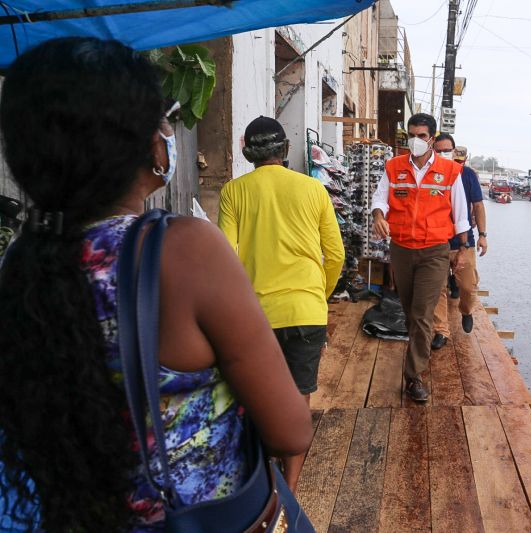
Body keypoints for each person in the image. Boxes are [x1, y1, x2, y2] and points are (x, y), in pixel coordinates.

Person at [0, 37, 312, 532]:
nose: (169, 131)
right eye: (165, 118)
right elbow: (290, 428)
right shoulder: (182, 250)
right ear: (140, 142)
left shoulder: (20, 261)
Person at [218, 116, 344, 490]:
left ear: (247, 153)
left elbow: (227, 256)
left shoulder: (233, 192)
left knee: (258, 397)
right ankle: (289, 486)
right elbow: (334, 253)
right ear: (286, 150)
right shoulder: (313, 189)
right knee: (298, 399)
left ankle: (261, 480)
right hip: (306, 309)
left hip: (257, 317)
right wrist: (319, 296)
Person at [371, 113, 470, 402]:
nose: (415, 140)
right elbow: (380, 199)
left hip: (434, 251)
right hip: (401, 249)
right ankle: (416, 359)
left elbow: (461, 213)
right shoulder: (393, 167)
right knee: (409, 310)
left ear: (432, 138)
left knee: (422, 314)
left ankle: (413, 376)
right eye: (411, 135)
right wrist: (379, 215)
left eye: (422, 135)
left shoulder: (450, 171)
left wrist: (461, 249)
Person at [431, 136, 487, 349]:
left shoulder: (467, 175)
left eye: (447, 150)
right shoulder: (429, 174)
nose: (444, 153)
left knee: (468, 286)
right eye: (439, 150)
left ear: (454, 152)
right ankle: (441, 330)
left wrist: (483, 234)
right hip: (437, 242)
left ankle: (466, 310)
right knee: (438, 288)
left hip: (464, 242)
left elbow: (479, 206)